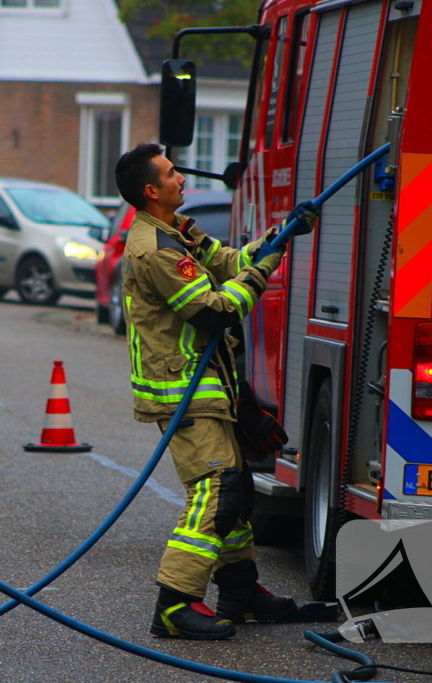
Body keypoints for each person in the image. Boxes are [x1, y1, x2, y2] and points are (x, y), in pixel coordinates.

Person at [115, 143, 316, 640]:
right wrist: (264, 269)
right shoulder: (154, 248)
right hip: (181, 393)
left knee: (238, 491)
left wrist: (279, 236)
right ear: (151, 190)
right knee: (216, 492)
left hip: (208, 390)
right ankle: (174, 604)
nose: (181, 178)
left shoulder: (176, 231)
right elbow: (214, 311)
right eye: (171, 173)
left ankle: (240, 591)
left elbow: (227, 261)